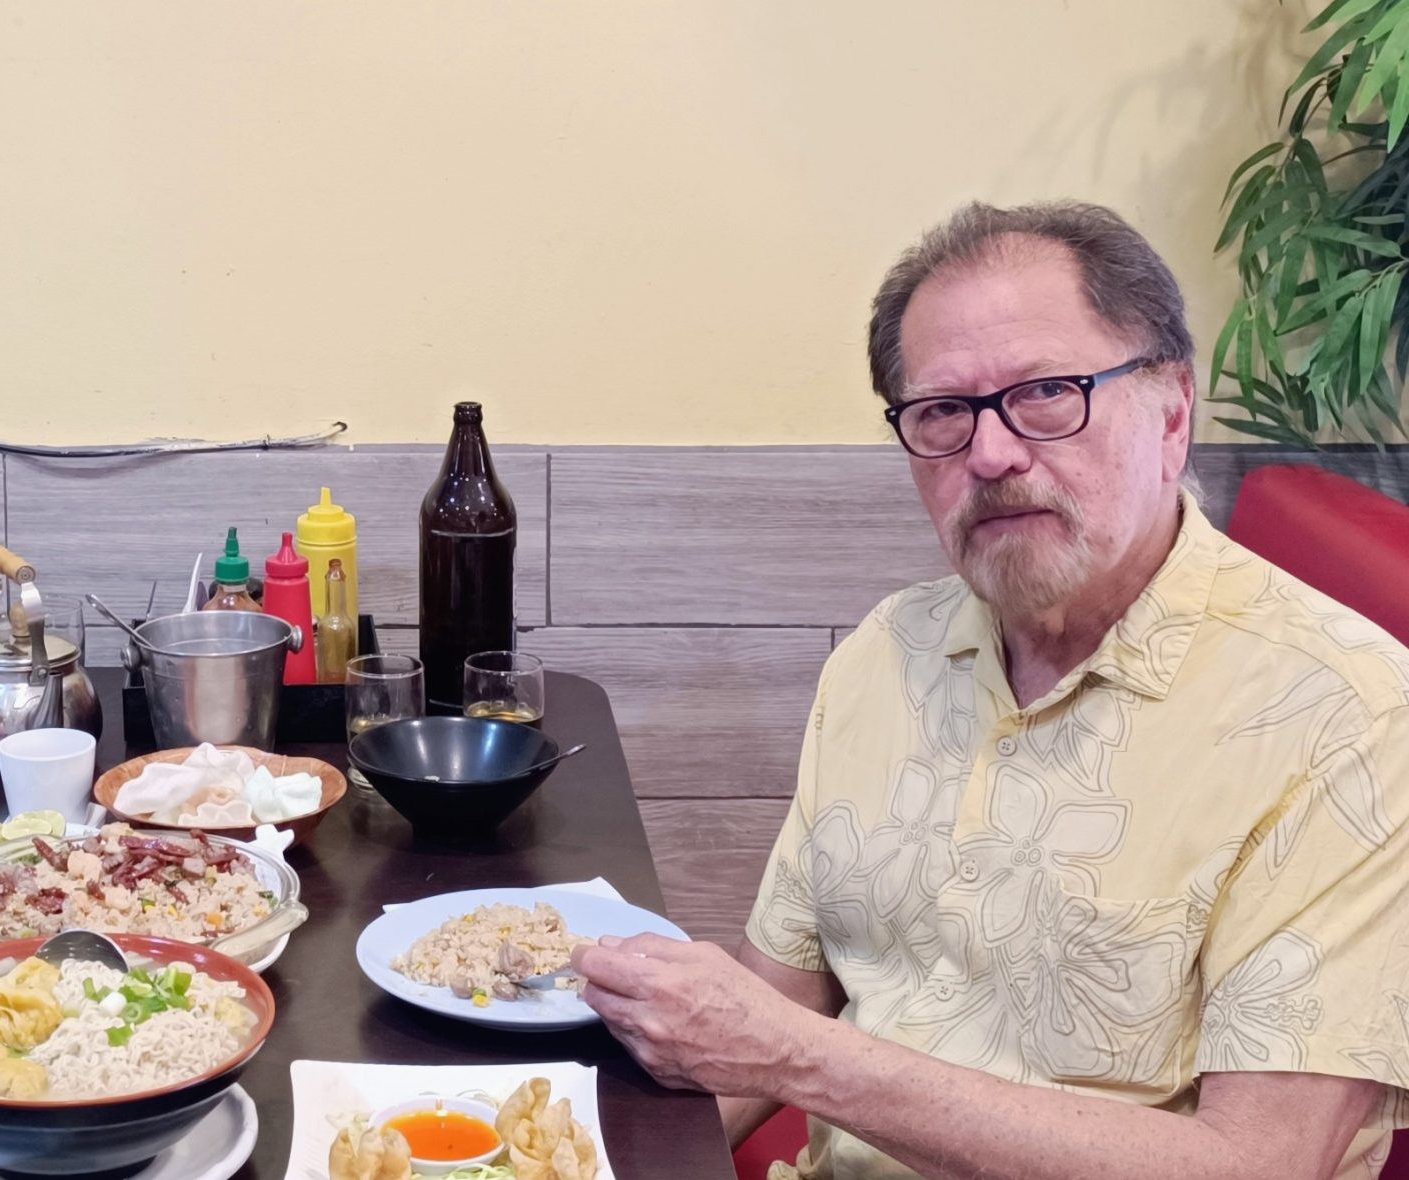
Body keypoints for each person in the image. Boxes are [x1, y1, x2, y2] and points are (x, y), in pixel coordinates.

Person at [574, 202, 1409, 1179]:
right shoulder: (887, 653)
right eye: (942, 414)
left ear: (1172, 409)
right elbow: (783, 996)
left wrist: (799, 1057)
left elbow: (1257, 1165)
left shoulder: (1344, 714)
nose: (992, 454)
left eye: (1047, 393)